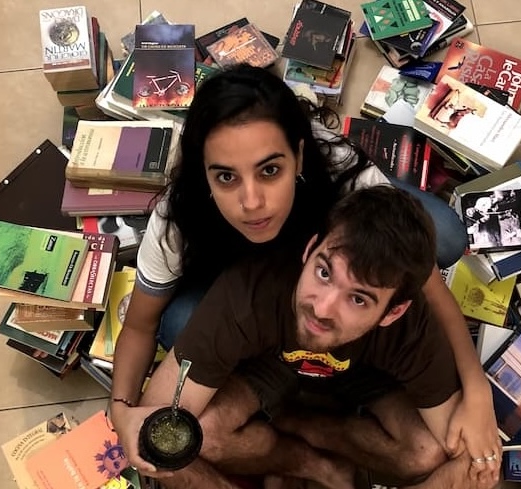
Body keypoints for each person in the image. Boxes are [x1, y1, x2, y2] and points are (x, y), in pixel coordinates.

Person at [110, 64, 500, 479]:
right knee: (180, 324)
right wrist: (122, 412)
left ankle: (308, 419)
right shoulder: (182, 221)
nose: (252, 201)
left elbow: (420, 282)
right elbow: (138, 328)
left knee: (439, 236)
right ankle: (303, 446)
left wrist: (477, 389)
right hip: (252, 312)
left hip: (333, 295)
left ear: (298, 156)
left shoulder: (343, 174)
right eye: (225, 176)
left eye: (269, 170)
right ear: (204, 173)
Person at [136, 187, 498, 489]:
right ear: (309, 251)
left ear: (393, 312)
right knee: (197, 433)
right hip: (267, 364)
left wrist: (477, 396)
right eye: (324, 273)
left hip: (365, 375)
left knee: (424, 453)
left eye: (358, 298)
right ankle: (310, 464)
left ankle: (303, 427)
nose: (323, 308)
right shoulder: (252, 291)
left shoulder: (413, 326)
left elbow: (470, 462)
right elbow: (149, 427)